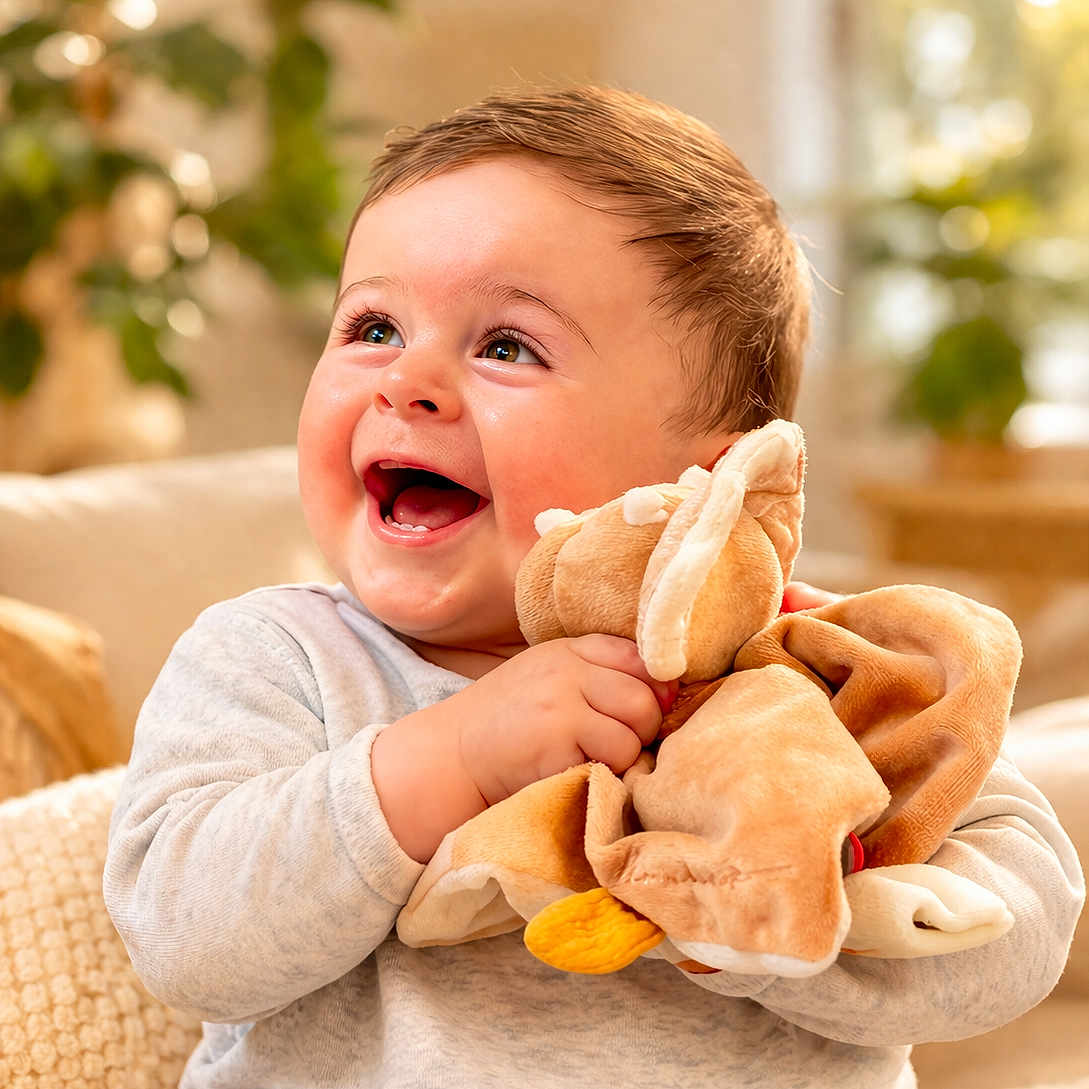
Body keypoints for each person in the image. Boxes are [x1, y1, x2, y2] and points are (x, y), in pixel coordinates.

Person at [104, 83, 1083, 1089]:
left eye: (507, 346)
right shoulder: (280, 660)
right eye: (373, 327)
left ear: (714, 483)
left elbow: (1021, 929)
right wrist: (452, 759)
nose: (405, 380)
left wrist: (769, 907)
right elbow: (182, 938)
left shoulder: (810, 668)